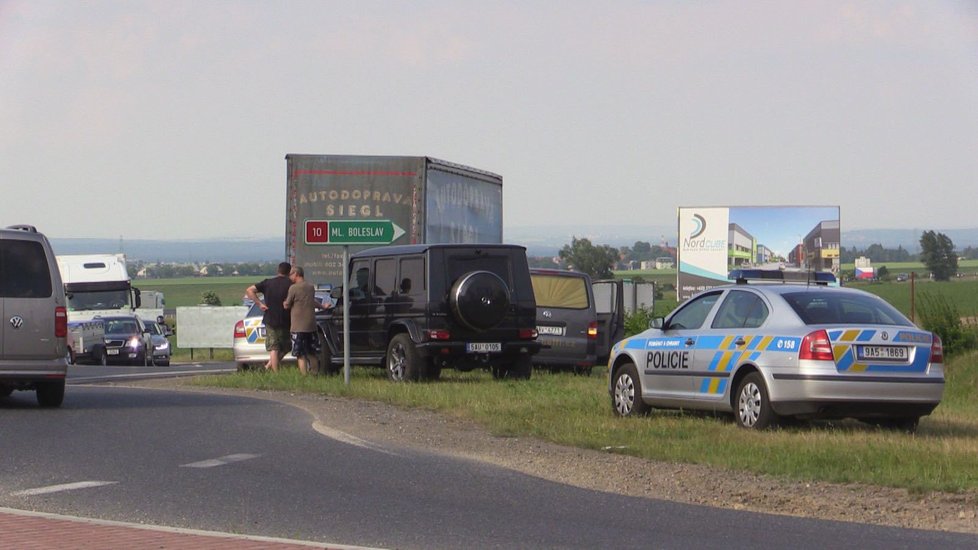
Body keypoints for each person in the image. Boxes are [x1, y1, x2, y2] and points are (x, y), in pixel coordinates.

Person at [245, 262, 292, 372]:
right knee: (286, 347)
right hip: (286, 319)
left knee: (274, 347)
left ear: (278, 270)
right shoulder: (291, 284)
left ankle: (270, 369)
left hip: (270, 318)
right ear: (289, 272)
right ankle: (271, 370)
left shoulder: (268, 283)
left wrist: (259, 304)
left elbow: (249, 290)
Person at [283, 265, 320, 375]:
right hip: (311, 325)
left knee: (300, 354)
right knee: (312, 352)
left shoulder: (293, 288)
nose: (290, 277)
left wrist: (284, 303)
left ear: (296, 274)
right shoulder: (310, 287)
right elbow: (312, 301)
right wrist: (322, 306)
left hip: (298, 326)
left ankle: (304, 376)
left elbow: (287, 304)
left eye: (291, 274)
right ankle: (314, 373)